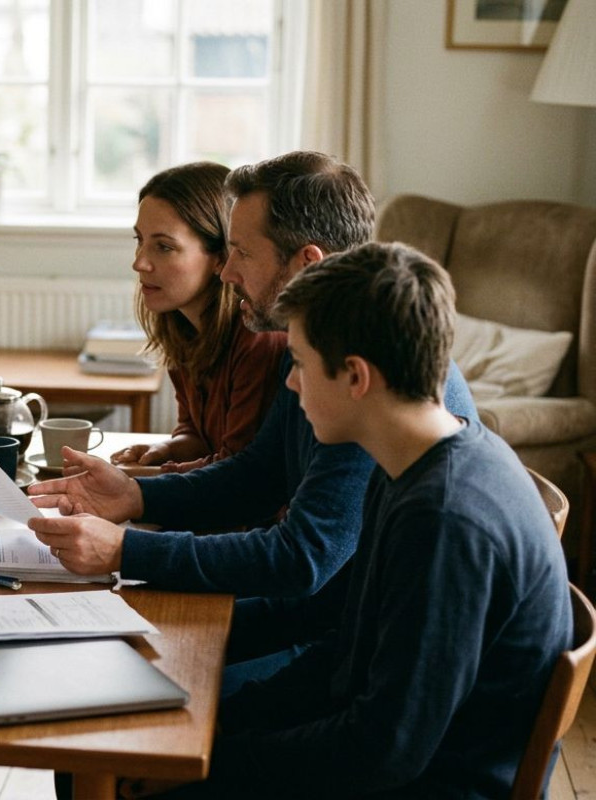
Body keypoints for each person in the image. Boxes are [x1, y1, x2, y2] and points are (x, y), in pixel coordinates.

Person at [159, 242, 570, 798]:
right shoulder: (412, 464)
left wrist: (215, 760)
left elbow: (383, 751)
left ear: (355, 376)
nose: (291, 384)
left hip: (425, 784)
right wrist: (217, 715)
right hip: (386, 760)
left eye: (300, 363)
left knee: (110, 768)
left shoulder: (445, 520)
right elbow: (340, 635)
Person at [28, 150, 477, 611]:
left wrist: (127, 550)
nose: (226, 272)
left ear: (306, 262)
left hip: (328, 633)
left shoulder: (362, 379)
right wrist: (135, 494)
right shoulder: (314, 344)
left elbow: (302, 559)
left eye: (241, 252)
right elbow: (258, 475)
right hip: (318, 619)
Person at [108, 162, 286, 474]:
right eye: (139, 240)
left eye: (164, 247)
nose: (139, 263)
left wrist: (133, 480)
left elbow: (238, 471)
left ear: (220, 258)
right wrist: (166, 449)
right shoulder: (182, 325)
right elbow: (197, 433)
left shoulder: (257, 337)